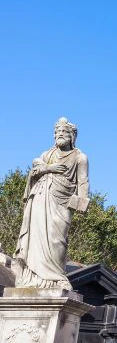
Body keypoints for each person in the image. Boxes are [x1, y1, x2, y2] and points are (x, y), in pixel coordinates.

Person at [15, 118, 89, 289]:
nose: (59, 135)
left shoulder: (80, 157)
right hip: (41, 196)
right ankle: (32, 277)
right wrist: (50, 168)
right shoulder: (46, 155)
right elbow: (34, 172)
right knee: (35, 236)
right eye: (57, 132)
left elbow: (83, 182)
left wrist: (82, 203)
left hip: (62, 201)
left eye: (64, 132)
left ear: (72, 136)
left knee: (57, 240)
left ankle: (56, 276)